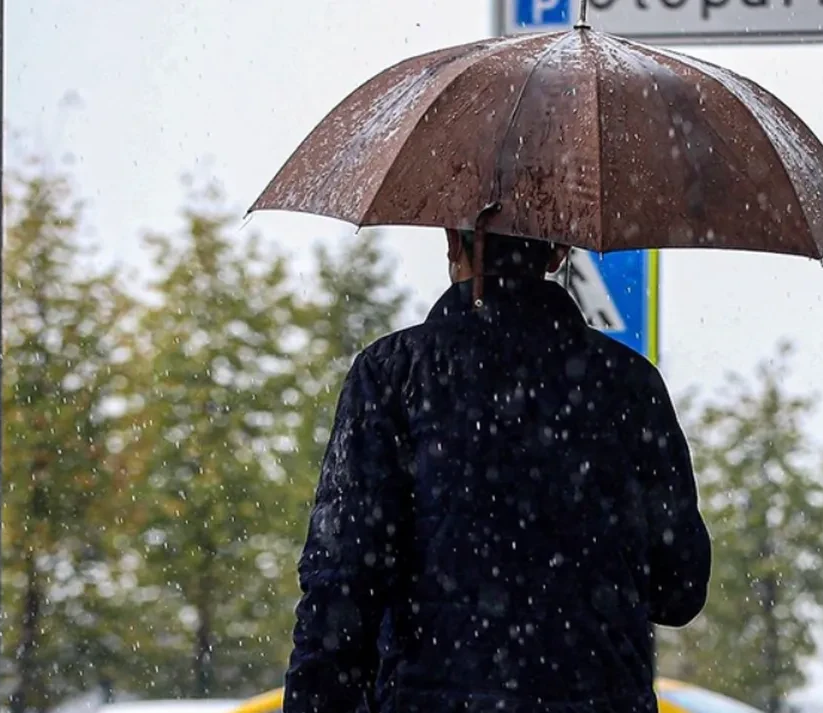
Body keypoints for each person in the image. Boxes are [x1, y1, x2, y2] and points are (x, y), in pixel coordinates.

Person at [284, 229, 711, 713]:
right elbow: (679, 589)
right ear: (559, 251)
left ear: (453, 241)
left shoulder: (394, 374)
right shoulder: (629, 385)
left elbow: (341, 582)